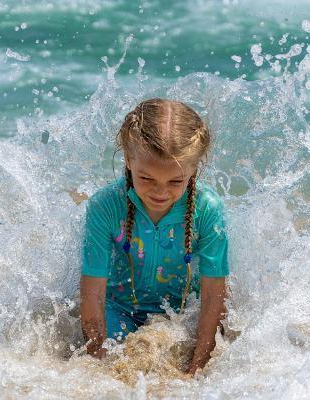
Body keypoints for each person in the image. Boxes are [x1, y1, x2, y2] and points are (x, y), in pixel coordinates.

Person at [80, 98, 229, 375]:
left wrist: (197, 367)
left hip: (185, 312)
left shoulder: (207, 209)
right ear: (128, 158)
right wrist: (97, 363)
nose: (160, 192)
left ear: (194, 168)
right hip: (119, 308)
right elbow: (93, 294)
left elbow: (212, 296)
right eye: (146, 178)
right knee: (115, 368)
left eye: (175, 181)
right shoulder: (106, 206)